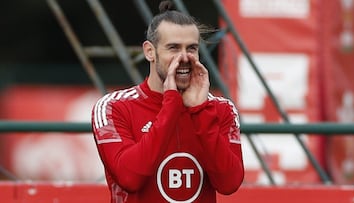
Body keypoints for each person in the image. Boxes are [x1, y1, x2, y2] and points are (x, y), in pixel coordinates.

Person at [91, 1, 244, 202]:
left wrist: (199, 110)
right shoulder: (113, 107)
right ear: (149, 52)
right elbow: (130, 178)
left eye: (191, 48)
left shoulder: (220, 108)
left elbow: (229, 183)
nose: (184, 57)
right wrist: (171, 104)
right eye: (173, 48)